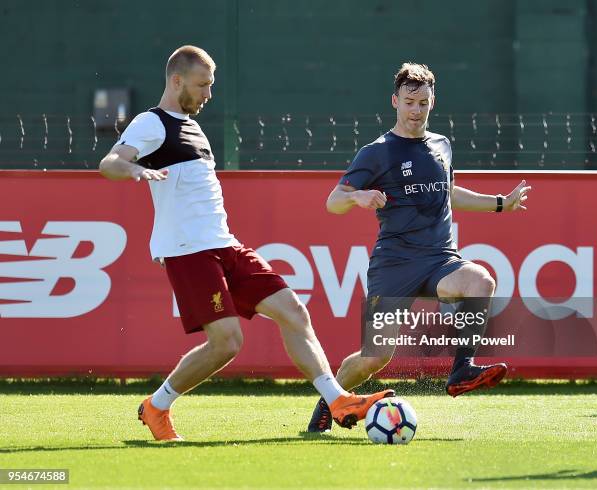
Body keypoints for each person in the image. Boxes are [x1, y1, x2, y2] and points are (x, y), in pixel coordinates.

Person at [99, 45, 393, 441]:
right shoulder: (151, 123)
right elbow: (110, 163)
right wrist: (133, 169)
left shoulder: (193, 126)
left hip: (224, 245)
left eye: (211, 86)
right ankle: (157, 406)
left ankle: (337, 400)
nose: (208, 94)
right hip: (190, 251)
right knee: (226, 343)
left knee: (293, 312)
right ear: (177, 80)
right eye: (203, 85)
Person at [307, 62, 531, 432]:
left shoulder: (442, 145)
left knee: (481, 282)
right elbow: (334, 200)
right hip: (394, 265)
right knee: (375, 357)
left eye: (423, 102)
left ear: (432, 102)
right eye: (409, 101)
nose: (416, 110)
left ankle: (461, 371)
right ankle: (330, 402)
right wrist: (359, 196)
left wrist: (499, 203)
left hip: (440, 259)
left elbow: (449, 193)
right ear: (395, 101)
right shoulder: (377, 152)